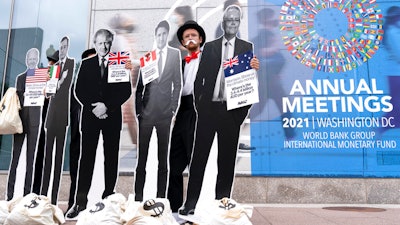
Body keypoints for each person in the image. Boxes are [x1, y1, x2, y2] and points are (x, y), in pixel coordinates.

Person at [179, 5, 259, 215]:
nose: (232, 23)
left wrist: (240, 115)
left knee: (226, 161)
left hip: (231, 112)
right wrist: (201, 106)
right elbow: (199, 80)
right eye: (228, 20)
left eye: (235, 20)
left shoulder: (246, 47)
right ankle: (191, 203)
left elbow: (248, 82)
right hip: (208, 110)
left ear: (239, 23)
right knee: (199, 159)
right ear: (223, 23)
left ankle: (222, 203)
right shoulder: (211, 47)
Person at [66, 29, 131, 219]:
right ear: (95, 43)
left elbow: (125, 91)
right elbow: (79, 90)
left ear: (111, 43)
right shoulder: (86, 64)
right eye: (100, 43)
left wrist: (107, 107)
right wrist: (95, 107)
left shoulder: (120, 62)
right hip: (90, 118)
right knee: (86, 159)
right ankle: (80, 201)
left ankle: (109, 197)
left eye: (107, 43)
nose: (103, 47)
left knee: (111, 159)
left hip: (112, 118)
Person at [134, 20, 182, 202]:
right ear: (155, 36)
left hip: (164, 115)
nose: (161, 37)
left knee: (163, 160)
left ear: (167, 36)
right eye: (158, 34)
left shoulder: (174, 55)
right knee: (142, 159)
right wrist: (139, 112)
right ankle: (138, 197)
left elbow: (177, 84)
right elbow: (139, 88)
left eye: (164, 34)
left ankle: (161, 197)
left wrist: (172, 109)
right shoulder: (148, 58)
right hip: (146, 115)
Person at [167, 20, 205, 214]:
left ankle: (196, 206)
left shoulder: (211, 59)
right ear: (183, 42)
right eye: (186, 36)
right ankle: (173, 207)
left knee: (196, 162)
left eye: (193, 35)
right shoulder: (180, 63)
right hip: (181, 112)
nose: (190, 38)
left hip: (201, 112)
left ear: (200, 39)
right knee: (173, 164)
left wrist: (251, 66)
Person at [249, 8, 295, 139]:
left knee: (278, 106)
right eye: (271, 17)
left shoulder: (270, 36)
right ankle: (291, 136)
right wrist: (269, 52)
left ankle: (290, 135)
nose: (274, 20)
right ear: (265, 20)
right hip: (267, 81)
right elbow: (259, 59)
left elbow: (281, 59)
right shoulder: (261, 37)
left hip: (271, 80)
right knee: (265, 108)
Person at [40, 36, 75, 205]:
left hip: (62, 117)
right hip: (51, 117)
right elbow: (49, 93)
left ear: (68, 48)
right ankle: (43, 196)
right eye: (61, 47)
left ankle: (53, 199)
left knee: (58, 158)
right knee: (47, 157)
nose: (62, 49)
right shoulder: (52, 68)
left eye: (65, 47)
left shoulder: (71, 63)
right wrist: (47, 90)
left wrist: (59, 83)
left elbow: (66, 87)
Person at [7, 48, 43, 200]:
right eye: (30, 58)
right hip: (20, 121)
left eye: (35, 58)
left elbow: (47, 96)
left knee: (31, 160)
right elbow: (19, 97)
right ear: (26, 60)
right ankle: (9, 194)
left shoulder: (42, 77)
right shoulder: (20, 78)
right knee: (15, 158)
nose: (33, 60)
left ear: (38, 59)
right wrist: (27, 95)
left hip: (34, 122)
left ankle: (27, 194)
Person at [66, 47, 96, 211]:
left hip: (99, 139)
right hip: (79, 138)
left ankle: (95, 206)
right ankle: (73, 205)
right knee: (76, 174)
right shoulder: (74, 86)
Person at [31, 50, 58, 195]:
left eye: (53, 63)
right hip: (38, 126)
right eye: (49, 63)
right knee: (38, 157)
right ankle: (34, 191)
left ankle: (43, 192)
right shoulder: (40, 79)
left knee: (48, 158)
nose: (49, 66)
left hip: (52, 127)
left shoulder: (61, 83)